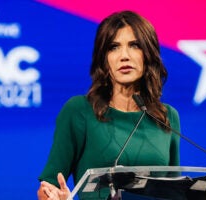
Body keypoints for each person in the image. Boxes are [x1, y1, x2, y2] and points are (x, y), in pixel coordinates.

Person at [37, 10, 181, 200]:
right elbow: (49, 185)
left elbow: (175, 191)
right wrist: (53, 196)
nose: (124, 56)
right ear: (104, 59)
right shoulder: (80, 111)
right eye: (113, 47)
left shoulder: (167, 116)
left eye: (134, 45)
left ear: (148, 54)